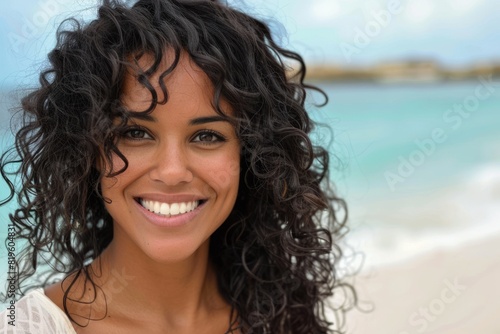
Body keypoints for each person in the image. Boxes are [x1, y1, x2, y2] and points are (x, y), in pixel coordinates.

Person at [0, 0, 353, 332]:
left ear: (251, 155)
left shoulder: (283, 318)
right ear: (88, 148)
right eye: (136, 132)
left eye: (207, 136)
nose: (172, 172)